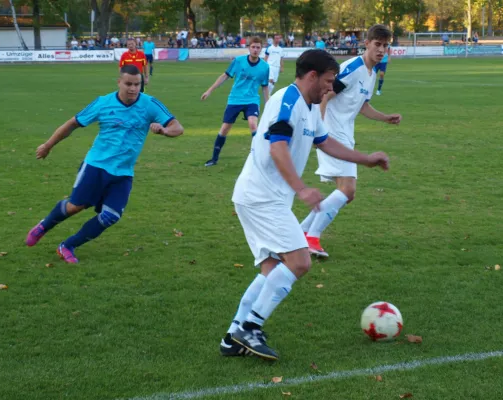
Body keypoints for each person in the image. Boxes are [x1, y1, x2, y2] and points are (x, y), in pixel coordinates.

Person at [219, 50, 389, 361]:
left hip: (263, 197)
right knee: (299, 262)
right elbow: (277, 147)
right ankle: (250, 328)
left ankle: (233, 336)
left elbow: (325, 142)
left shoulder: (309, 107)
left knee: (272, 270)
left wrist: (366, 159)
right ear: (311, 76)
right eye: (327, 80)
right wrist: (300, 188)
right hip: (262, 198)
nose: (330, 87)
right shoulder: (288, 101)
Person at [25, 65, 184, 264]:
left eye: (137, 84)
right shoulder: (103, 103)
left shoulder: (149, 104)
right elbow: (72, 123)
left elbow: (177, 128)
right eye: (128, 84)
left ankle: (68, 245)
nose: (133, 89)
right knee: (76, 206)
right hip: (96, 166)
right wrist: (48, 145)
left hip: (123, 172)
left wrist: (164, 131)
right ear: (119, 82)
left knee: (111, 216)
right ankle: (44, 226)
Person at [300, 24, 401, 257]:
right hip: (332, 133)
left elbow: (362, 106)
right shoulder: (353, 68)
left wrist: (385, 118)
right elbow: (326, 93)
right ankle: (311, 238)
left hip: (345, 133)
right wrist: (321, 129)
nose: (381, 50)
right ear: (366, 44)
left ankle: (302, 232)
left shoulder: (371, 73)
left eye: (385, 46)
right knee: (347, 190)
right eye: (377, 45)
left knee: (346, 193)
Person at [200, 37, 270, 167]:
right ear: (249, 48)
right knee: (225, 128)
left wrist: (269, 104)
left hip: (252, 100)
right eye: (253, 47)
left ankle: (258, 157)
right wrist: (209, 90)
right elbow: (225, 76)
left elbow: (265, 86)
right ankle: (214, 159)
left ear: (261, 49)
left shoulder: (265, 67)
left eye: (258, 47)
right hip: (235, 99)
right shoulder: (239, 61)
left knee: (253, 125)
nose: (255, 50)